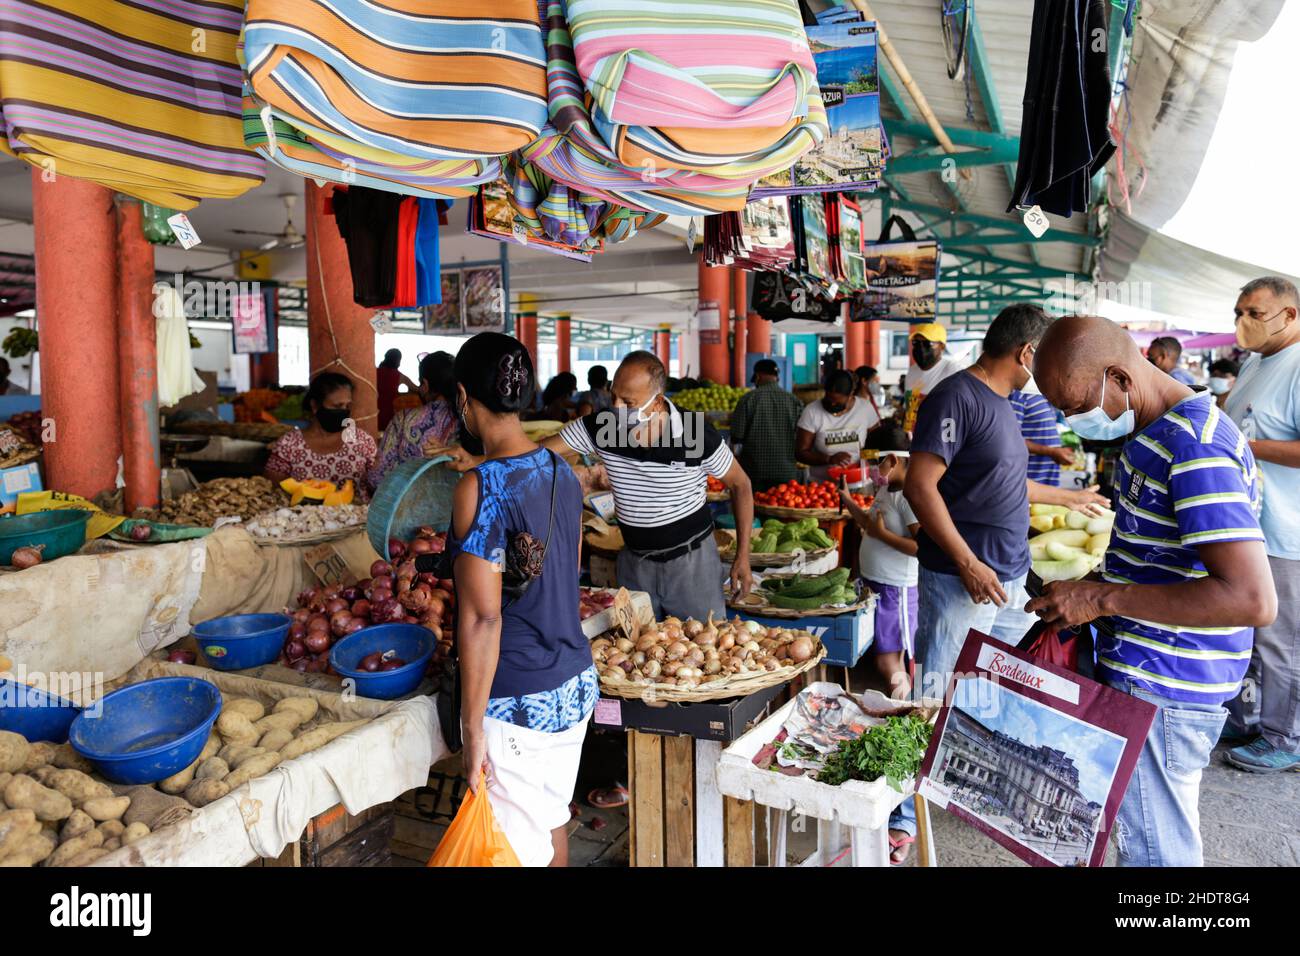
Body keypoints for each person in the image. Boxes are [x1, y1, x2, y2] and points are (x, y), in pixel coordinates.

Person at [1026, 314, 1276, 866]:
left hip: (1168, 687)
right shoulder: (1157, 434)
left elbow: (1251, 598)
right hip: (1144, 674)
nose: (1070, 421)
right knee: (1141, 834)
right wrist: (1094, 586)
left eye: (1072, 407)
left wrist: (1101, 599)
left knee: (1156, 852)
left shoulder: (1195, 446)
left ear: (1119, 377)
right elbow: (1167, 564)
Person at [449, 351, 755, 621]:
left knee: (703, 651)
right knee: (637, 655)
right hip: (635, 563)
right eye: (614, 396)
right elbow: (537, 453)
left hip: (692, 564)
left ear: (658, 401)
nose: (616, 406)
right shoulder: (604, 427)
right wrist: (476, 460)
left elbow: (740, 484)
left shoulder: (695, 433)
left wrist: (743, 555)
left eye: (629, 402)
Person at [446, 332, 596, 868]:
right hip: (574, 683)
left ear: (463, 397)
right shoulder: (563, 472)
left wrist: (471, 730)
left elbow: (485, 618)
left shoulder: (480, 487)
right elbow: (563, 571)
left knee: (510, 847)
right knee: (550, 817)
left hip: (517, 702)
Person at [905, 305, 1108, 697]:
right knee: (935, 697)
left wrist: (1070, 499)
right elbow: (919, 487)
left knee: (978, 696)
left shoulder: (1002, 400)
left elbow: (1003, 479)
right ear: (1027, 352)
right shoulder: (955, 398)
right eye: (1050, 357)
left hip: (1009, 576)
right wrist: (968, 563)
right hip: (961, 580)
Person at [1221, 277, 1300, 773]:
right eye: (1238, 312)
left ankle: (1285, 736)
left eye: (1253, 313)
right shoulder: (1255, 363)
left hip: (1287, 533)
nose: (1241, 324)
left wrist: (1245, 448)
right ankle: (1249, 715)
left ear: (1289, 316)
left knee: (1282, 640)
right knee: (1249, 628)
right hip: (1248, 526)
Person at [265, 371, 378, 500]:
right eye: (337, 405)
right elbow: (272, 488)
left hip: (357, 518)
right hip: (304, 518)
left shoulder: (362, 441)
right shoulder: (289, 444)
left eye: (347, 405)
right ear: (314, 406)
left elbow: (378, 484)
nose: (343, 410)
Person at [366, 351, 458, 492]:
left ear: (425, 384)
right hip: (458, 509)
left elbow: (377, 477)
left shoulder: (403, 420)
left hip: (406, 508)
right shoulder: (470, 420)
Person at [730, 358, 803, 492]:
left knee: (755, 509)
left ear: (757, 376)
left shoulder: (748, 399)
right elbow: (801, 436)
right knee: (783, 507)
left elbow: (736, 436)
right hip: (786, 471)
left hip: (755, 471)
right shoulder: (794, 401)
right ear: (776, 377)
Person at [796, 370, 881, 482]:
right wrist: (829, 459)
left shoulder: (865, 408)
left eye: (837, 402)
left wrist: (867, 463)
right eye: (828, 399)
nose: (832, 404)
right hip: (823, 485)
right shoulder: (812, 411)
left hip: (859, 481)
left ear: (851, 394)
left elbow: (878, 443)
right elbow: (800, 453)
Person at [903, 323, 965, 432]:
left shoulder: (954, 371)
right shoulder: (912, 371)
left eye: (927, 343)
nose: (921, 348)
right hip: (914, 438)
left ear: (942, 346)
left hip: (940, 438)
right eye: (916, 343)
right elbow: (910, 407)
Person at [1010, 387, 1074, 486]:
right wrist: (1051, 452)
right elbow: (1010, 440)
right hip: (1029, 484)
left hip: (1048, 481)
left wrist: (1058, 452)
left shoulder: (1044, 397)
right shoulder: (1020, 395)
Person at [376, 348, 418, 432]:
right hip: (390, 413)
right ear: (398, 361)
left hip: (375, 412)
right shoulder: (399, 376)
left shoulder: (374, 372)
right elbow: (416, 389)